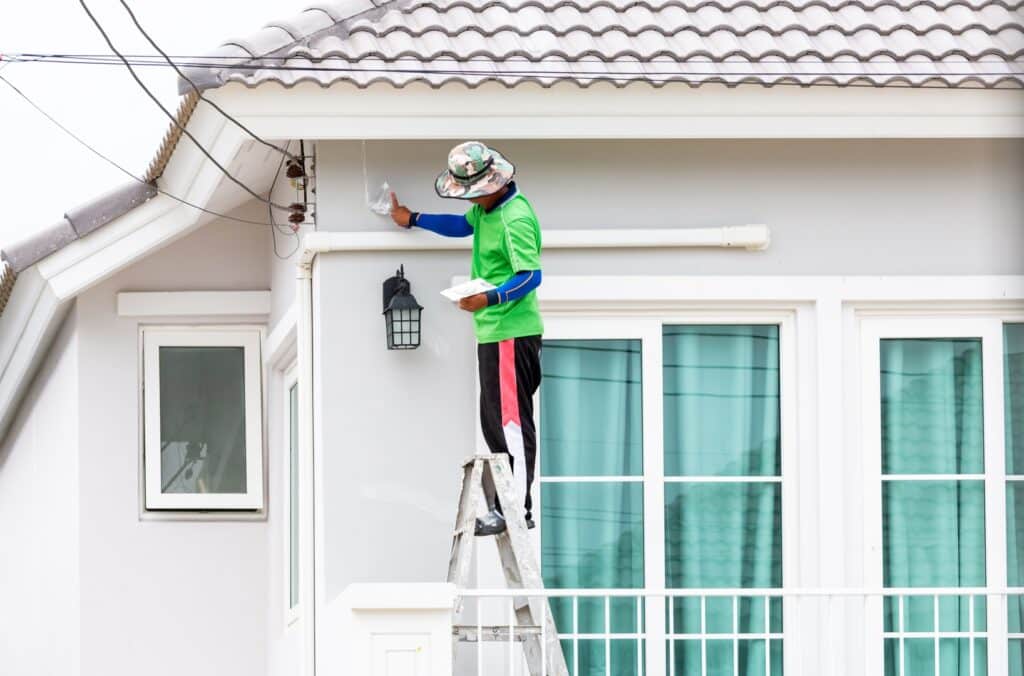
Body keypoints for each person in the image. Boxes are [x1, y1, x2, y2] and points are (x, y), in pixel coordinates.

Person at [390, 141, 543, 536]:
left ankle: (517, 509)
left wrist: (487, 297)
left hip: (512, 333)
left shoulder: (515, 218)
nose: (471, 200)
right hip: (492, 332)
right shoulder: (488, 209)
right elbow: (461, 226)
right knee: (492, 422)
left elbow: (531, 276)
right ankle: (502, 506)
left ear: (493, 182)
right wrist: (413, 219)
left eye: (474, 192)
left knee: (510, 423)